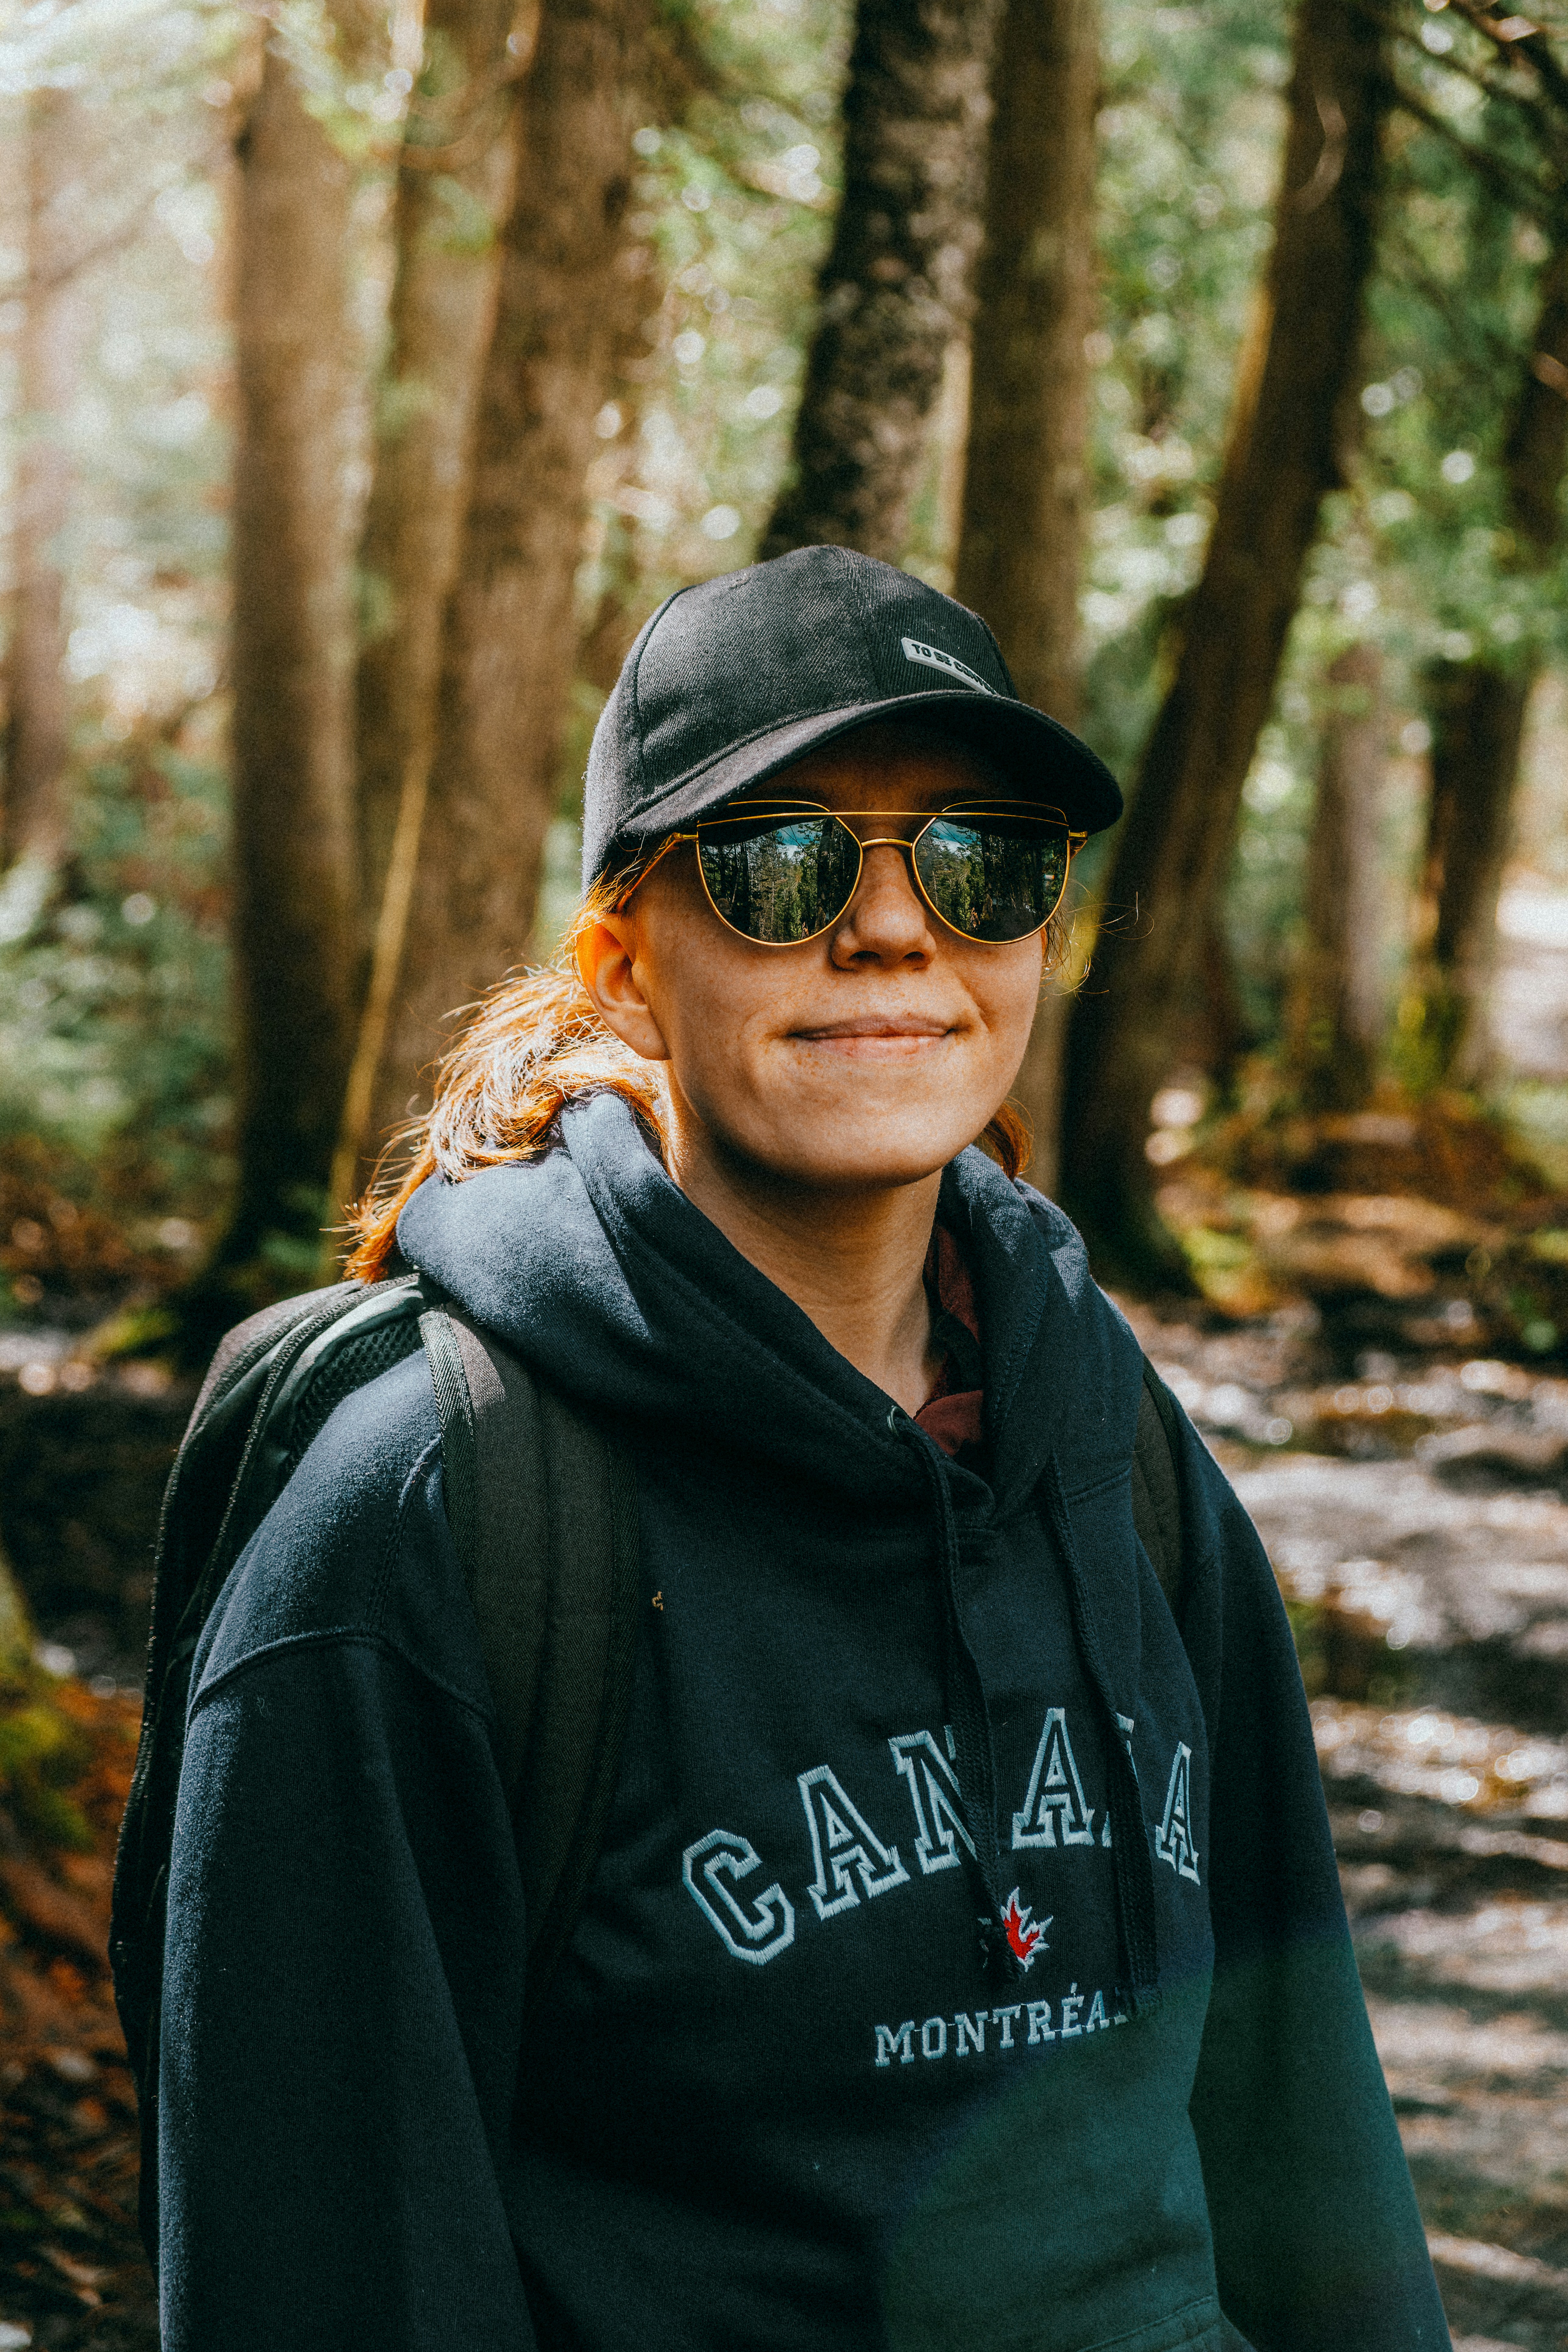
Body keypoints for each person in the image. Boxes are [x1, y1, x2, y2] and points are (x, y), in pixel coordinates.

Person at [157, 546, 1448, 2352]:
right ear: (623, 958)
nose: (896, 930)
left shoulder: (1118, 1451)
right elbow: (322, 2268)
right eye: (782, 863)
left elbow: (1307, 2152)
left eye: (983, 861)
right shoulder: (431, 1521)